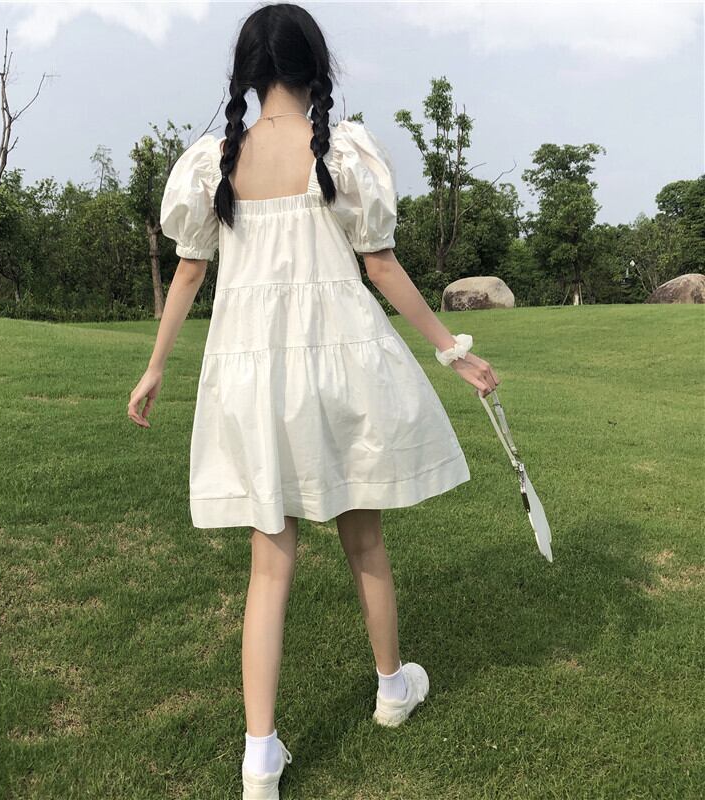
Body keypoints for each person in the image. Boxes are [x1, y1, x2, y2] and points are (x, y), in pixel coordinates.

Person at [128, 4, 499, 797]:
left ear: (246, 73)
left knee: (270, 564)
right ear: (314, 65)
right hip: (341, 371)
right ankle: (392, 688)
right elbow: (381, 266)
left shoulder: (212, 162)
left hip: (254, 377)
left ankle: (259, 754)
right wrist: (452, 350)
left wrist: (155, 367)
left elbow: (189, 272)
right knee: (364, 538)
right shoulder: (342, 149)